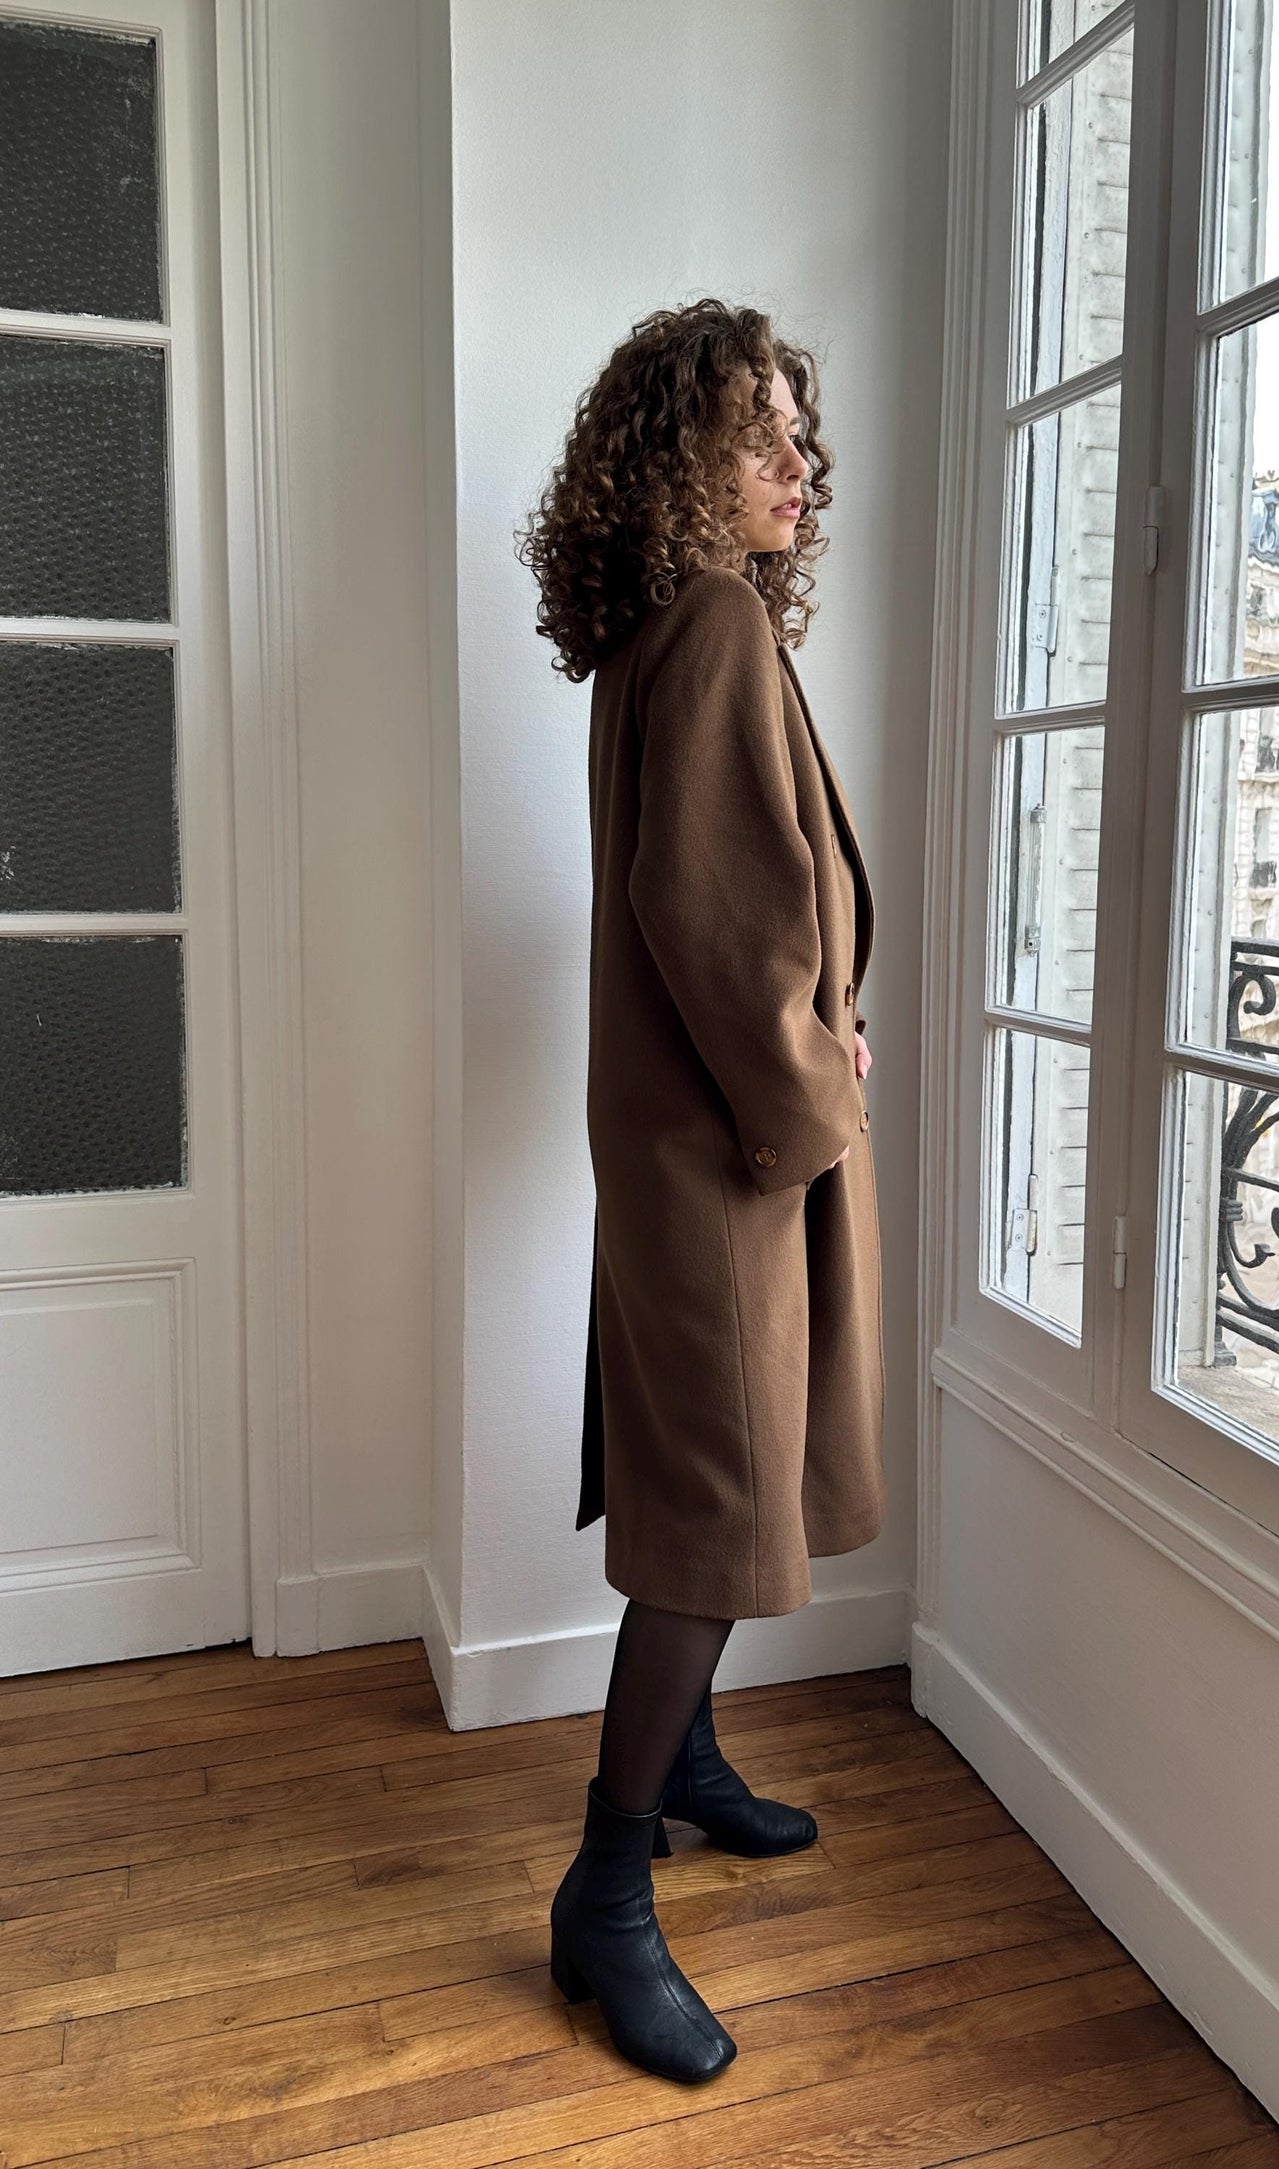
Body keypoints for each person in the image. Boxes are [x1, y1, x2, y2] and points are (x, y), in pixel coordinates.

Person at [517, 297, 885, 2083]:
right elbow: (719, 919)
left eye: (798, 440)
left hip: (680, 1137)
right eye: (763, 439)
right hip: (726, 1149)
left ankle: (694, 1770)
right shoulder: (715, 621)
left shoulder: (655, 632)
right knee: (717, 1507)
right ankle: (604, 1886)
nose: (799, 468)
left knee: (709, 1477)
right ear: (682, 464)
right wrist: (818, 1077)